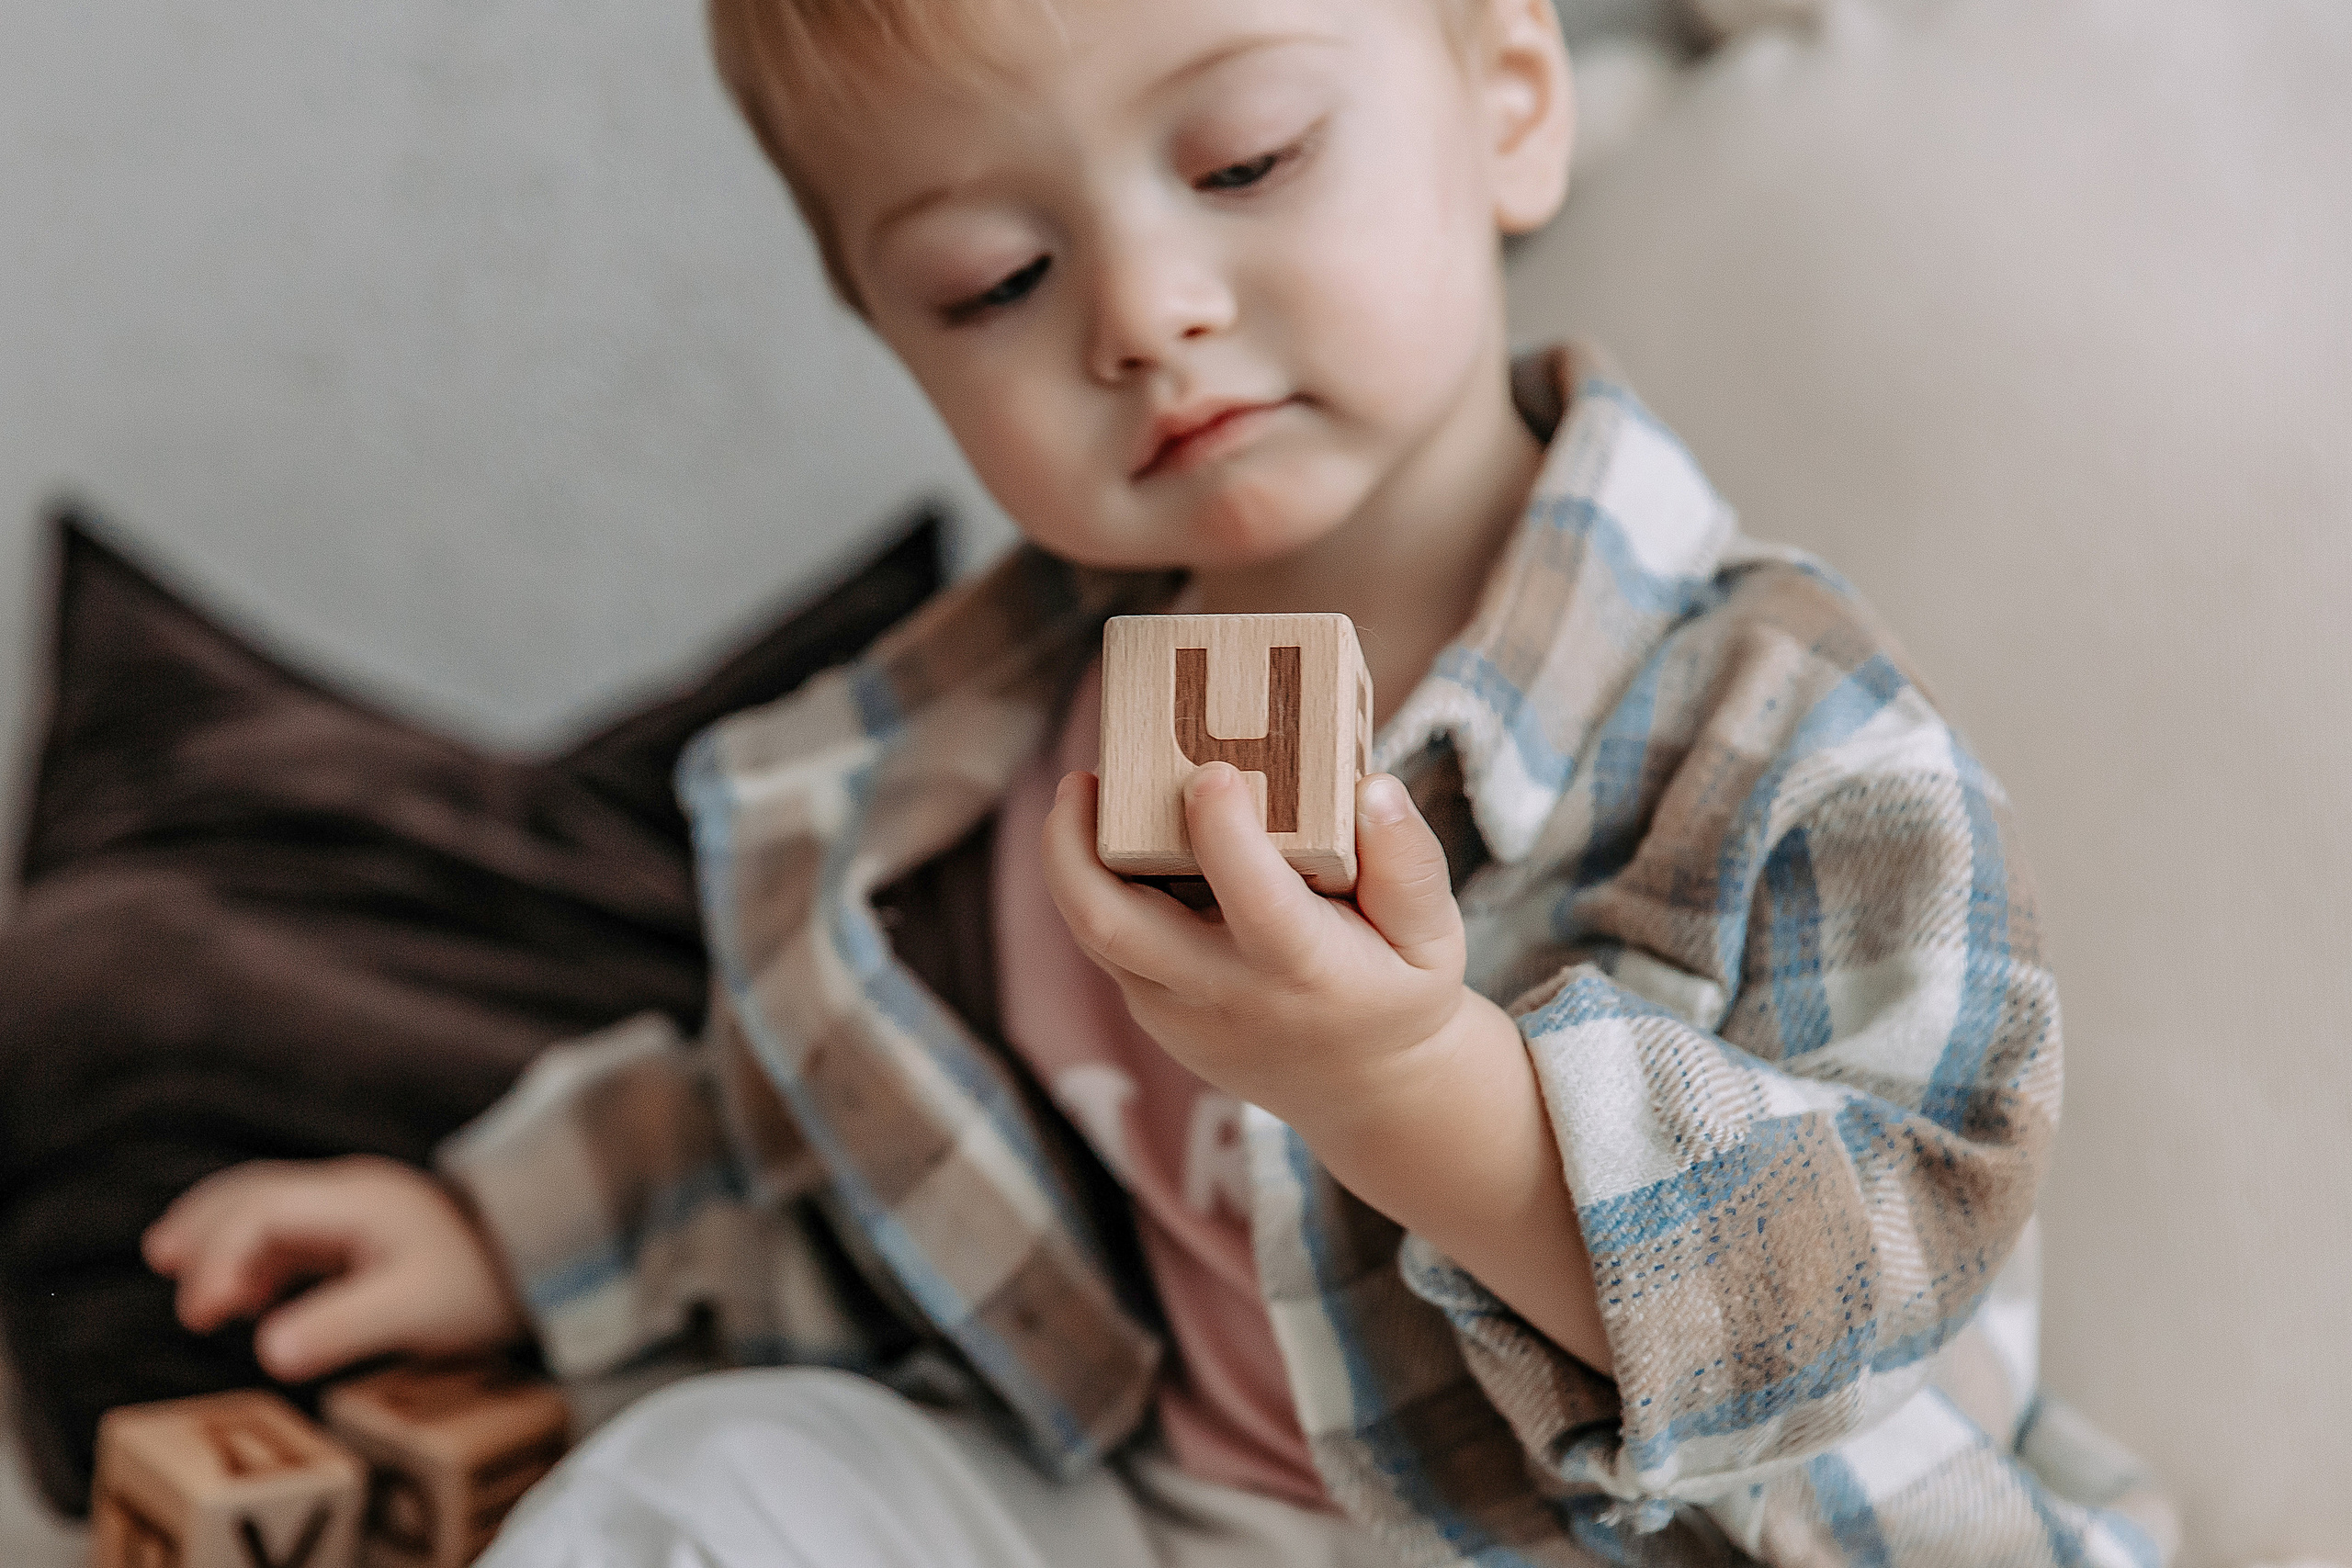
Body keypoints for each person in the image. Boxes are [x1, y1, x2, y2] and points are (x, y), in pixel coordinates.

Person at [140, 0, 2177, 1562]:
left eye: (1246, 161)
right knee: (713, 1477)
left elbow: (1871, 1269)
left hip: (1626, 1538)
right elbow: (832, 1142)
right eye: (993, 282)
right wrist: (502, 1231)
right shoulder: (961, 772)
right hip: (1137, 1513)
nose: (1141, 314)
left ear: (1508, 101)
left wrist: (1410, 1084)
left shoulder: (1786, 728)